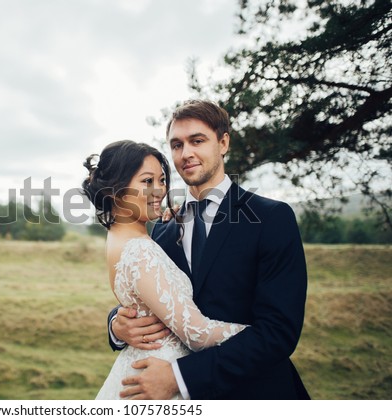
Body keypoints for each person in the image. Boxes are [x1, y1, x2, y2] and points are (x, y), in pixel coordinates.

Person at [109, 100, 310, 399]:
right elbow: (158, 297)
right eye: (176, 145)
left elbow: (279, 332)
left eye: (197, 141)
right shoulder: (162, 230)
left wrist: (180, 377)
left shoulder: (271, 218)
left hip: (255, 394)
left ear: (223, 142)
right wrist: (117, 325)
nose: (186, 153)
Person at [82, 140, 248, 400]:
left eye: (161, 180)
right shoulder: (140, 249)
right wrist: (258, 334)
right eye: (147, 181)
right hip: (160, 379)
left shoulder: (127, 237)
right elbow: (196, 332)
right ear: (116, 192)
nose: (159, 190)